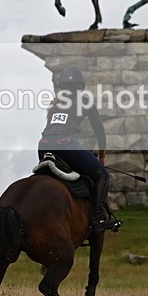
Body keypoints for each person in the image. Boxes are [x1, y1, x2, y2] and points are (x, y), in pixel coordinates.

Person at [38, 67, 118, 233]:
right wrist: (102, 156)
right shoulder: (85, 100)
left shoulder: (55, 103)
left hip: (43, 145)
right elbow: (99, 131)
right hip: (65, 144)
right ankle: (98, 219)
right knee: (103, 174)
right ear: (80, 86)